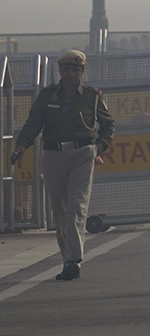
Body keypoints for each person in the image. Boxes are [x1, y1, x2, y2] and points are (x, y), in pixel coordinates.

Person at [9, 50, 114, 281]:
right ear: (60, 71)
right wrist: (21, 147)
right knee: (60, 209)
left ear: (82, 72)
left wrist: (98, 148)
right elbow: (33, 124)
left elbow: (108, 124)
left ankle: (73, 261)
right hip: (54, 155)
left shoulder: (92, 95)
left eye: (76, 70)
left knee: (77, 206)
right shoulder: (47, 96)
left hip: (82, 154)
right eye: (66, 69)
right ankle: (68, 256)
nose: (71, 74)